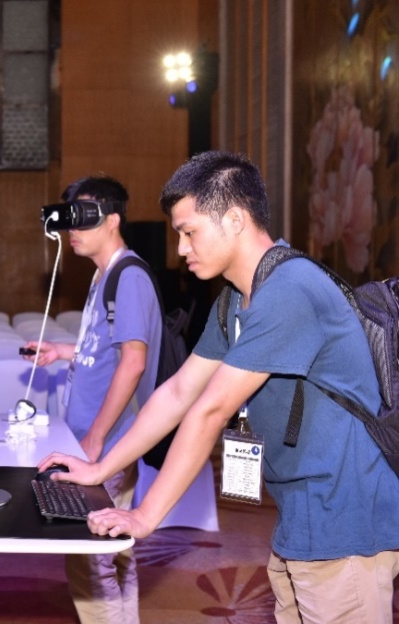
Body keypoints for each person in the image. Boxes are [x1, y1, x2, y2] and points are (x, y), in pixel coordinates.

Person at [42, 151, 399, 623]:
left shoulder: (290, 290)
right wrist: (99, 468)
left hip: (346, 521)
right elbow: (178, 393)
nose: (181, 249)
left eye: (189, 232)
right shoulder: (236, 299)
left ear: (234, 219)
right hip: (303, 515)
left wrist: (145, 515)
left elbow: (209, 410)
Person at [22, 175, 162, 624]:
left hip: (109, 441)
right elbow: (108, 349)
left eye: (82, 218)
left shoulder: (128, 276)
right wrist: (63, 351)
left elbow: (133, 362)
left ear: (113, 219)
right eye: (68, 220)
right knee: (116, 549)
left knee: (90, 556)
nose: (72, 230)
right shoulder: (106, 275)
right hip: (100, 438)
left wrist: (97, 440)